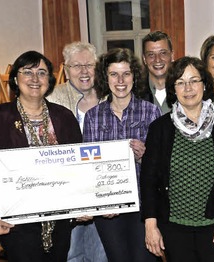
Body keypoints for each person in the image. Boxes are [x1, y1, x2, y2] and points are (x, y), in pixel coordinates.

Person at [0, 50, 83, 261]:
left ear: (49, 80)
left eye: (41, 72)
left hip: (60, 221)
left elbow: (79, 170)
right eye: (27, 72)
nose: (35, 79)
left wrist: (84, 205)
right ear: (16, 78)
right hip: (16, 222)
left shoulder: (64, 117)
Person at [141, 56, 214, 261]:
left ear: (205, 84)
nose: (187, 88)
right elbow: (148, 180)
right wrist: (150, 224)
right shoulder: (159, 129)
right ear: (173, 89)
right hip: (172, 228)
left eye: (193, 80)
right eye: (180, 82)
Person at [83, 48, 161, 262]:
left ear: (134, 77)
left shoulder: (150, 112)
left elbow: (161, 166)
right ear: (104, 78)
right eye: (113, 74)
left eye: (126, 73)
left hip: (142, 206)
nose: (120, 80)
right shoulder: (93, 117)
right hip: (108, 209)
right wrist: (101, 203)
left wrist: (144, 157)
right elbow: (88, 169)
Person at [46, 41, 107, 262]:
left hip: (103, 187)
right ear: (66, 69)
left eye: (89, 65)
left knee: (100, 254)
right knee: (71, 254)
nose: (83, 71)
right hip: (66, 191)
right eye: (76, 66)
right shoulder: (52, 97)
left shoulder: (108, 96)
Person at [140, 31, 174, 114]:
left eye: (163, 53)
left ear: (172, 56)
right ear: (144, 59)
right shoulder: (135, 93)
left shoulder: (185, 90)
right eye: (151, 55)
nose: (157, 59)